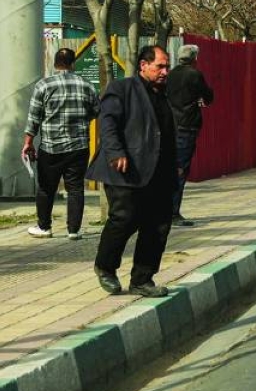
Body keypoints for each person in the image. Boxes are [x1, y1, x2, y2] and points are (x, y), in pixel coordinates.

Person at [86, 45, 178, 297]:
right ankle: (105, 266)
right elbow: (107, 123)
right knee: (124, 218)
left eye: (167, 67)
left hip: (159, 172)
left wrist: (176, 164)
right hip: (125, 169)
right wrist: (116, 152)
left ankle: (142, 279)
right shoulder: (122, 89)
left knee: (158, 225)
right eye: (160, 66)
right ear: (143, 65)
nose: (165, 72)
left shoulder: (165, 94)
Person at [22, 48, 100, 240]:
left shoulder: (43, 85)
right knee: (75, 188)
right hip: (79, 146)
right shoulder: (87, 85)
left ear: (55, 63)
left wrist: (28, 143)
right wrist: (82, 120)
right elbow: (96, 111)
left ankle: (44, 227)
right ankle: (74, 230)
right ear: (73, 63)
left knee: (46, 188)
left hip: (51, 146)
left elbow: (34, 117)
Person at [166, 43, 214, 226]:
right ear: (195, 58)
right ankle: (173, 213)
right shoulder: (194, 75)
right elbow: (208, 96)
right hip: (187, 126)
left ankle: (164, 210)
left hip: (170, 125)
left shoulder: (170, 75)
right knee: (180, 169)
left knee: (168, 167)